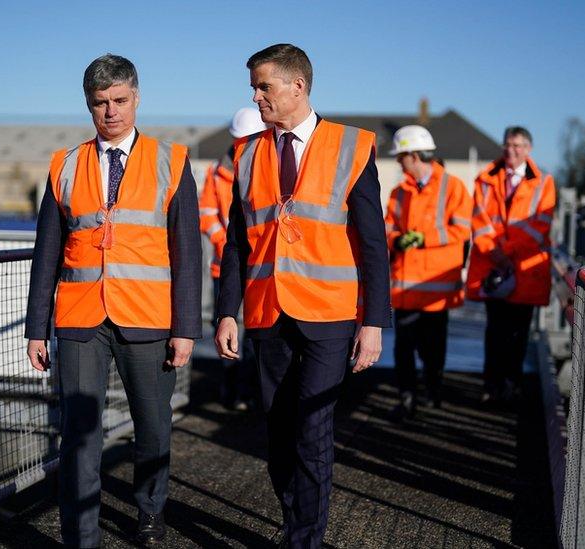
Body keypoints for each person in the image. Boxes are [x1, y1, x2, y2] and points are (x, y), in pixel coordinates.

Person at [215, 44, 391, 548]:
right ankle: (296, 519)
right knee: (278, 433)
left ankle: (304, 540)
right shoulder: (246, 153)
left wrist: (372, 321)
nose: (255, 96)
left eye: (263, 86)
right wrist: (227, 311)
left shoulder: (352, 146)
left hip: (330, 314)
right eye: (253, 86)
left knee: (313, 429)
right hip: (267, 312)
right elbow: (237, 242)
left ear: (298, 86)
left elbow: (372, 241)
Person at [24, 54, 202, 548]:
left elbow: (188, 251)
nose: (111, 112)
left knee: (152, 426)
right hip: (81, 319)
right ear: (88, 105)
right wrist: (36, 327)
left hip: (148, 320)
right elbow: (48, 251)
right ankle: (82, 534)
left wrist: (186, 327)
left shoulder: (173, 160)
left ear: (136, 98)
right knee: (79, 434)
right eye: (100, 103)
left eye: (120, 100)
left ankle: (149, 510)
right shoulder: (65, 164)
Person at [384, 125, 472, 420]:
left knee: (433, 348)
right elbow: (387, 229)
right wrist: (397, 240)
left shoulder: (453, 187)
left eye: (401, 157)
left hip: (435, 287)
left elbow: (462, 230)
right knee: (404, 348)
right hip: (407, 286)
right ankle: (408, 397)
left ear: (414, 155)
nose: (398, 162)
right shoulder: (398, 192)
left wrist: (425, 238)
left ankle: (432, 390)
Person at [467, 126, 556, 404]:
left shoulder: (544, 183)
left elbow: (539, 225)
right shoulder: (485, 179)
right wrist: (495, 252)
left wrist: (504, 250)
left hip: (524, 269)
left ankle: (512, 386)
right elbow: (478, 221)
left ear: (528, 149)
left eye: (518, 146)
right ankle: (491, 386)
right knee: (494, 330)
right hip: (495, 268)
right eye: (508, 145)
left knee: (519, 334)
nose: (511, 150)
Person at [199, 106, 266, 411]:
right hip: (224, 266)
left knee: (255, 329)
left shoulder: (267, 168)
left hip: (259, 267)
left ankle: (249, 389)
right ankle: (231, 386)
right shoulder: (217, 172)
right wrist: (226, 241)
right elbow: (207, 213)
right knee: (226, 327)